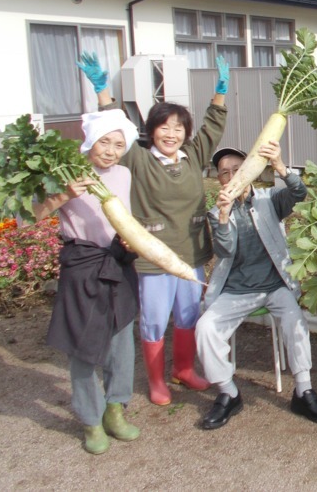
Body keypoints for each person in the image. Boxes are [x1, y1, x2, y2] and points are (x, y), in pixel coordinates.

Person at [78, 51, 229, 405]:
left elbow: (214, 126)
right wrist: (102, 89)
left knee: (190, 314)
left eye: (179, 128)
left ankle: (185, 369)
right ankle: (157, 380)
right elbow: (115, 126)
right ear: (151, 130)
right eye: (164, 127)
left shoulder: (193, 154)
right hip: (153, 256)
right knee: (155, 320)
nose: (172, 134)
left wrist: (220, 90)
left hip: (190, 251)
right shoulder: (139, 158)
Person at [196, 142, 317, 429]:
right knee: (206, 328)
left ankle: (303, 390)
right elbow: (224, 251)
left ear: (250, 170)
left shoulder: (269, 199)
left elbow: (299, 193)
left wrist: (281, 166)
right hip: (236, 290)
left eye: (237, 169)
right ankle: (228, 392)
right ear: (219, 179)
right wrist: (223, 217)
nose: (232, 176)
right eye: (224, 173)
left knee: (296, 322)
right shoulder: (216, 211)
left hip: (274, 285)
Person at [39, 109, 141, 455]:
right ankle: (90, 420)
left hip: (117, 261)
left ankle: (116, 410)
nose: (111, 151)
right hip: (82, 264)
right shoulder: (65, 174)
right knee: (83, 346)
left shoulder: (124, 174)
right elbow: (29, 216)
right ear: (89, 141)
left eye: (118, 144)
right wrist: (64, 194)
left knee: (122, 340)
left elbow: (122, 215)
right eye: (104, 142)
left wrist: (130, 240)